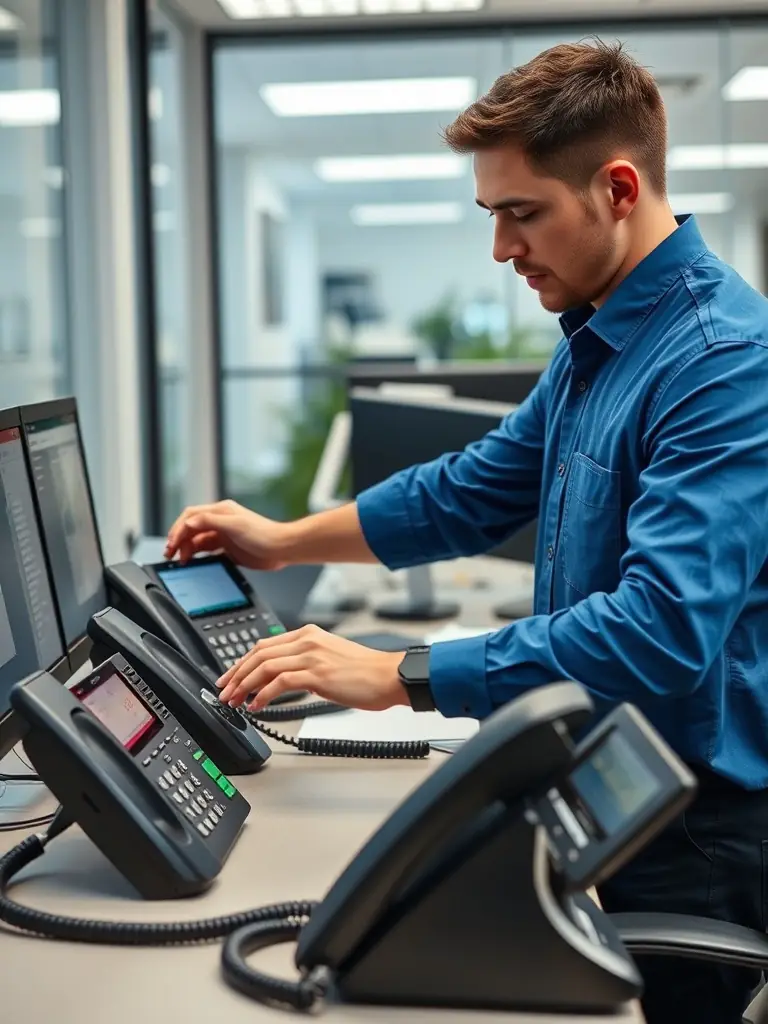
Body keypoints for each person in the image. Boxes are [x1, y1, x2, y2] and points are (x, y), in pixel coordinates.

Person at [165, 40, 768, 1024]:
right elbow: (471, 489)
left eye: (520, 213)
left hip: (690, 835)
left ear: (618, 188)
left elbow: (659, 630)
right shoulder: (599, 338)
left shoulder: (720, 363)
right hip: (603, 786)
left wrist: (398, 672)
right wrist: (282, 541)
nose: (501, 249)